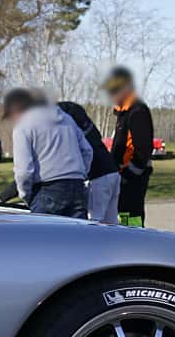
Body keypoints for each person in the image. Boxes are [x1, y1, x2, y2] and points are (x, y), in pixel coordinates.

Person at [4, 87, 89, 219]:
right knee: (76, 238)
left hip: (47, 189)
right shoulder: (68, 120)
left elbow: (24, 171)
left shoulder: (23, 126)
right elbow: (87, 151)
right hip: (77, 187)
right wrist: (81, 174)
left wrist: (26, 195)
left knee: (42, 238)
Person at [104, 66, 155, 227]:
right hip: (122, 175)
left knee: (131, 216)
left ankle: (135, 241)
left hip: (132, 177)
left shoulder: (137, 111)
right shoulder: (123, 112)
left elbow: (143, 149)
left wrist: (129, 174)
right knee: (121, 215)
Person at [58, 99, 120, 223]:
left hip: (98, 177)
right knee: (111, 221)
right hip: (113, 172)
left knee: (94, 221)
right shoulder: (91, 130)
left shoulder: (76, 134)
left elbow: (86, 154)